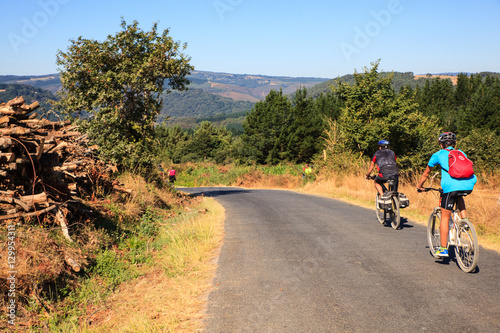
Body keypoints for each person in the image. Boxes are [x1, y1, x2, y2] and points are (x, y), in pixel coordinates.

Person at [416, 132, 477, 257]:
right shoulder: (461, 153)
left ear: (441, 144)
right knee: (459, 195)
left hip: (450, 188)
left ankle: (443, 248)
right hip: (469, 185)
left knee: (445, 217)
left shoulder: (437, 155)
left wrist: (419, 186)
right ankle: (464, 221)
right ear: (454, 144)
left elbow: (426, 174)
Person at [365, 140, 399, 204]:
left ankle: (382, 196)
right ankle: (395, 208)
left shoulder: (377, 153)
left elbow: (371, 166)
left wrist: (367, 175)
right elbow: (394, 162)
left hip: (383, 175)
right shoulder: (392, 152)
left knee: (376, 181)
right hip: (395, 174)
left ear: (380, 147)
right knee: (394, 193)